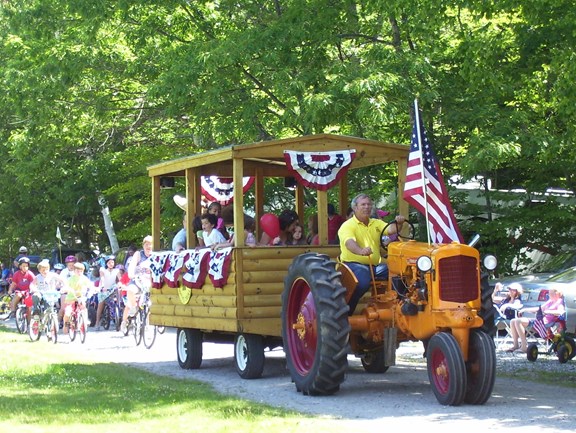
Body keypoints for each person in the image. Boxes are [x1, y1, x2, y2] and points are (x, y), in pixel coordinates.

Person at [338, 193, 406, 315]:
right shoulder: (347, 226)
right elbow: (349, 243)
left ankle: (396, 311)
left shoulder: (376, 223)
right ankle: (346, 313)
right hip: (352, 265)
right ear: (355, 208)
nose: (367, 207)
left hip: (375, 266)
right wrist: (360, 251)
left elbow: (391, 230)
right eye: (363, 204)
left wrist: (399, 223)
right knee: (362, 281)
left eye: (369, 204)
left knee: (399, 272)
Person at [508, 288, 565, 353]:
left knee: (518, 321)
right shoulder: (550, 301)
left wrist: (548, 311)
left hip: (544, 324)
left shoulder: (559, 302)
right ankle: (516, 345)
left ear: (557, 294)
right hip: (539, 321)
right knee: (512, 321)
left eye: (550, 293)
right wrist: (525, 309)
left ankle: (524, 346)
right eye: (549, 293)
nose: (549, 295)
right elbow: (539, 309)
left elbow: (561, 312)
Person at [121, 235, 153, 334]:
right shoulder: (138, 254)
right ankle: (132, 310)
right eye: (146, 244)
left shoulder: (155, 255)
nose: (148, 247)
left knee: (150, 303)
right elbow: (132, 265)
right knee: (131, 290)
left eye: (150, 244)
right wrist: (131, 274)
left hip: (150, 283)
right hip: (137, 280)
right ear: (143, 245)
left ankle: (148, 324)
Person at [62, 262, 93, 334]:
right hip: (71, 298)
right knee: (67, 313)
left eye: (81, 271)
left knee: (83, 307)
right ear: (74, 271)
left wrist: (93, 289)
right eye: (77, 271)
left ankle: (84, 320)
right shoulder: (70, 279)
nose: (79, 273)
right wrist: (66, 289)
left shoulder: (84, 279)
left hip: (80, 297)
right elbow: (66, 286)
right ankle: (65, 324)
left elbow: (90, 285)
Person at [5, 257, 36, 321]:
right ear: (20, 266)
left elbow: (34, 283)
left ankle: (29, 321)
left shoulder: (30, 274)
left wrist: (33, 289)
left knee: (29, 305)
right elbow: (13, 284)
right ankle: (13, 311)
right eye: (23, 266)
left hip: (28, 291)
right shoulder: (16, 274)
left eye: (26, 266)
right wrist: (10, 290)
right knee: (18, 295)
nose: (25, 267)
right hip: (19, 290)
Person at [95, 255, 120, 331]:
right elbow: (102, 278)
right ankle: (97, 322)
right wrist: (102, 286)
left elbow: (120, 278)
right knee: (101, 304)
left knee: (118, 298)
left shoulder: (117, 270)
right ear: (106, 263)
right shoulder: (102, 269)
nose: (111, 264)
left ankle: (117, 316)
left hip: (112, 289)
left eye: (112, 262)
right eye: (109, 262)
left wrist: (122, 284)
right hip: (104, 289)